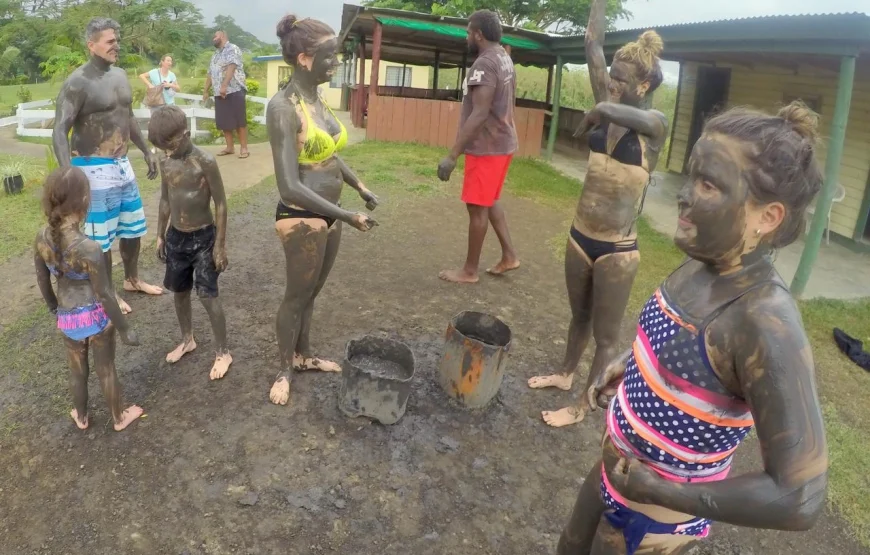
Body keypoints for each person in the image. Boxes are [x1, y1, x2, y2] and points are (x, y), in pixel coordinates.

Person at [556, 101, 828, 555]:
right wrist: (635, 365)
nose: (683, 194)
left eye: (708, 184)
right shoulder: (701, 266)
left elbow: (801, 497)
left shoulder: (765, 322)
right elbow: (685, 353)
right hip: (610, 477)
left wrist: (662, 491)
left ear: (768, 217)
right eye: (690, 177)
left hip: (651, 524)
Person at [529, 0, 669, 428]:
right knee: (579, 317)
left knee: (607, 338)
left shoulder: (654, 126)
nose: (610, 83)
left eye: (621, 78)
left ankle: (582, 406)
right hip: (579, 235)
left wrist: (601, 110)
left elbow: (611, 111)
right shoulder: (604, 101)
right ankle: (565, 373)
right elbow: (592, 44)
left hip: (617, 249)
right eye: (611, 74)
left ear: (642, 86)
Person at [266, 14, 379, 406]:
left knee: (312, 292)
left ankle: (304, 356)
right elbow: (289, 184)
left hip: (333, 213)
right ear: (303, 58)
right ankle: (283, 370)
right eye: (329, 57)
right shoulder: (283, 108)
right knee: (295, 297)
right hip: (301, 217)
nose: (337, 63)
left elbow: (329, 155)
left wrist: (360, 188)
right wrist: (346, 215)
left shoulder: (318, 100)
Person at [52, 17, 163, 316]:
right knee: (101, 238)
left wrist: (146, 151)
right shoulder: (77, 82)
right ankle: (108, 291)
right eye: (110, 41)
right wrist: (70, 173)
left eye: (117, 39)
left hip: (122, 165)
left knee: (132, 229)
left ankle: (132, 279)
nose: (117, 45)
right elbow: (59, 130)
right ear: (92, 45)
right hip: (91, 167)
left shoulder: (121, 76)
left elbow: (127, 118)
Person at [34, 167, 143, 432]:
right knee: (106, 369)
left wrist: (53, 308)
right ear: (84, 202)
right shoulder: (89, 249)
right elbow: (105, 294)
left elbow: (42, 280)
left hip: (68, 318)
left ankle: (81, 416)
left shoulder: (41, 238)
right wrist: (125, 329)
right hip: (96, 317)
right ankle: (119, 417)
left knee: (77, 371)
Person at [436, 9, 519, 284]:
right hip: (504, 142)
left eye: (468, 32)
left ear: (478, 34)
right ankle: (510, 256)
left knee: (476, 207)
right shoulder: (504, 58)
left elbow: (480, 113)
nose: (466, 37)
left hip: (487, 147)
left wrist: (452, 155)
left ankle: (469, 271)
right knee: (490, 200)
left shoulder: (484, 65)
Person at [150, 106, 232, 381]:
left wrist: (219, 245)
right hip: (176, 236)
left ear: (185, 135)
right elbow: (165, 199)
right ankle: (188, 339)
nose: (167, 152)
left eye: (169, 145)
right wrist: (160, 234)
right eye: (162, 148)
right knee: (180, 291)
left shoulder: (205, 161)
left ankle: (223, 351)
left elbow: (220, 203)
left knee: (208, 295)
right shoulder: (166, 162)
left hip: (204, 238)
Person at [203, 30, 249, 159]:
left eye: (215, 36)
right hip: (219, 92)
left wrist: (224, 85)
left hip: (234, 90)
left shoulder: (232, 49)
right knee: (224, 122)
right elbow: (210, 73)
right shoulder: (215, 55)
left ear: (223, 36)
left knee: (239, 120)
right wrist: (206, 90)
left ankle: (244, 148)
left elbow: (232, 66)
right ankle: (230, 147)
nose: (213, 39)